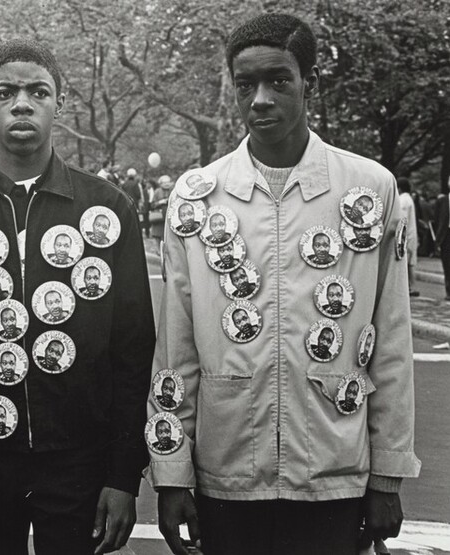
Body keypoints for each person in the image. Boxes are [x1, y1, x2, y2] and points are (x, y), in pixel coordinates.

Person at [152, 14, 419, 555]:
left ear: (309, 84)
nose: (261, 99)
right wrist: (172, 470)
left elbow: (391, 341)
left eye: (279, 80)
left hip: (334, 473)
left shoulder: (370, 188)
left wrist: (388, 476)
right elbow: (174, 348)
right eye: (245, 84)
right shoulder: (197, 198)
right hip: (226, 471)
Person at [0, 39, 154, 555]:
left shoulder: (108, 210)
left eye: (38, 91)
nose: (22, 103)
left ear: (60, 102)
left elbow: (132, 353)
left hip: (81, 464)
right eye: (5, 92)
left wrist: (124, 475)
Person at [397, 178, 419, 296]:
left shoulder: (402, 200)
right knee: (410, 262)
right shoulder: (409, 199)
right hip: (411, 234)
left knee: (406, 261)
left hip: (405, 235)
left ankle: (410, 286)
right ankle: (412, 286)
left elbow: (401, 219)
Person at [437, 192, 450, 300]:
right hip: (446, 236)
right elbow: (437, 220)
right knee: (447, 263)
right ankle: (448, 290)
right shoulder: (442, 201)